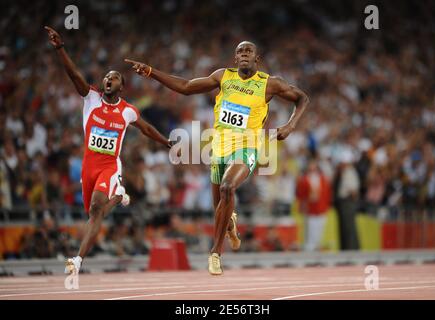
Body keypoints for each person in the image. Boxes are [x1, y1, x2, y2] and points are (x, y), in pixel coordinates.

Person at [125, 41, 309, 275]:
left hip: (248, 147)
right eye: (239, 52)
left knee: (227, 187)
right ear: (235, 59)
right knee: (220, 207)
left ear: (257, 59)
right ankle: (229, 222)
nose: (243, 54)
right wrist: (151, 72)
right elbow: (185, 86)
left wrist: (291, 125)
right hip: (219, 148)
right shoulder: (223, 77)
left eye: (248, 51)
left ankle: (215, 253)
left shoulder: (269, 84)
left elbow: (302, 98)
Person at [45, 27, 173, 274]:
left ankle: (77, 260)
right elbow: (73, 74)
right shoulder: (90, 98)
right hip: (88, 166)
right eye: (106, 77)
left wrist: (165, 142)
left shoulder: (127, 110)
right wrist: (60, 48)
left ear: (121, 86)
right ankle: (119, 195)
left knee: (95, 210)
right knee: (95, 213)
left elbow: (146, 128)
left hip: (109, 166)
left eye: (113, 78)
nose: (108, 79)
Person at [296, 159, 331, 251]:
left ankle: (317, 251)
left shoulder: (323, 178)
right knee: (310, 232)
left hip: (321, 208)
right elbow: (301, 194)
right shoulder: (304, 179)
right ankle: (309, 252)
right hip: (310, 209)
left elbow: (327, 194)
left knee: (319, 232)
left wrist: (326, 207)